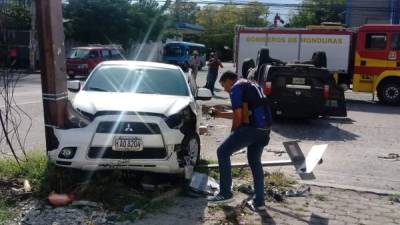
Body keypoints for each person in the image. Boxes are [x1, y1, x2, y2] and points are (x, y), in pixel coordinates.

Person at [207, 71, 272, 211]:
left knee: (222, 151)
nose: (225, 90)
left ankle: (225, 193)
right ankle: (260, 202)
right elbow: (243, 113)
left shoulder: (236, 87)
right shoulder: (251, 84)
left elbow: (238, 117)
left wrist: (233, 134)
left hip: (252, 130)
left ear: (230, 81)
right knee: (255, 162)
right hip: (264, 130)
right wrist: (219, 114)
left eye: (224, 86)